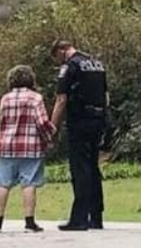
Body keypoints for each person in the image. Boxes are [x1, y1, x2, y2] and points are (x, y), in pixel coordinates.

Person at [0, 65, 56, 233]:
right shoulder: (35, 98)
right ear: (30, 79)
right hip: (30, 147)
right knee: (29, 184)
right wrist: (50, 137)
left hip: (5, 147)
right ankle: (29, 222)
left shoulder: (5, 99)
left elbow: (2, 122)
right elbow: (41, 123)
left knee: (3, 184)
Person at [50, 39, 109, 231]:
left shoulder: (70, 66)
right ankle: (96, 216)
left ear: (61, 51)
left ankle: (80, 218)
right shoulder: (97, 64)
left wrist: (53, 128)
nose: (59, 63)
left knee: (80, 169)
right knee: (93, 167)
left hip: (80, 121)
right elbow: (106, 96)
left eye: (57, 58)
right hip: (98, 119)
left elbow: (61, 99)